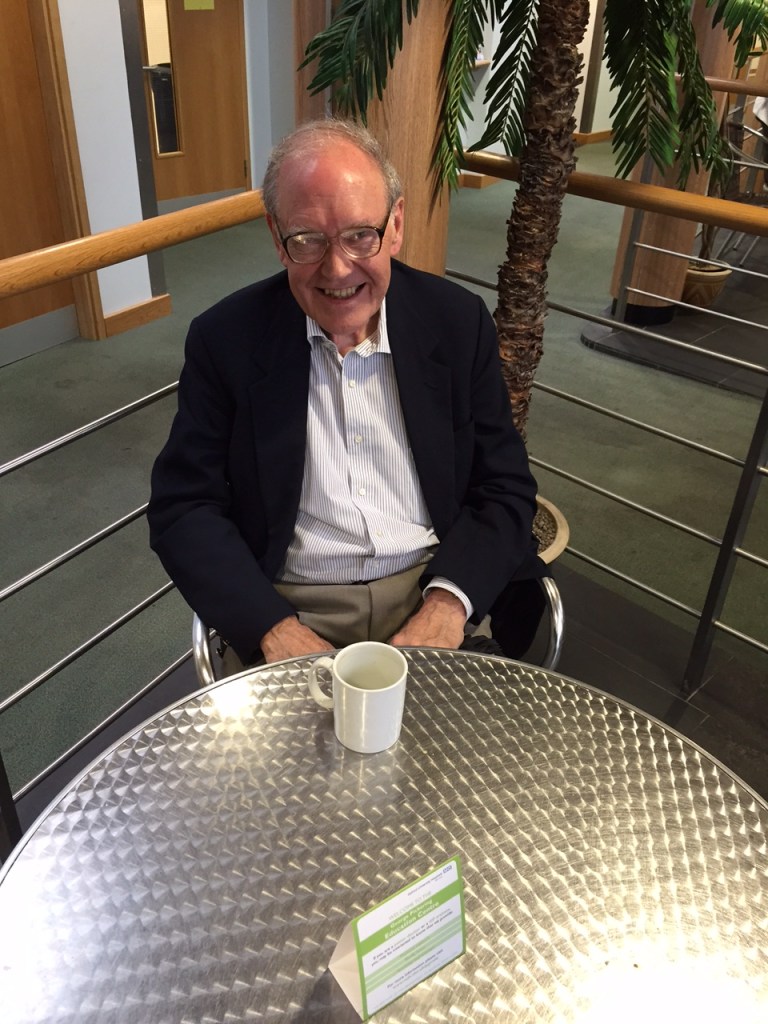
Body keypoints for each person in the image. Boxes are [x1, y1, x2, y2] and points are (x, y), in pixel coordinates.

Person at [148, 118, 547, 668]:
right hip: (295, 607)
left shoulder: (456, 322)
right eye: (307, 240)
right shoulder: (226, 339)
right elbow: (183, 507)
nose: (338, 270)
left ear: (397, 224)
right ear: (276, 236)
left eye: (361, 235)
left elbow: (504, 484)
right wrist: (270, 626)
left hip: (431, 591)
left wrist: (449, 603)